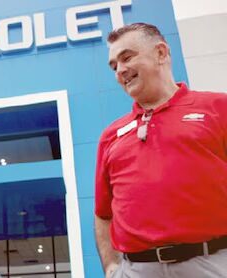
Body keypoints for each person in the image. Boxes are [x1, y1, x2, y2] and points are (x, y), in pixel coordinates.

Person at [94, 22, 227, 278]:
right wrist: (111, 268)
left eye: (127, 57)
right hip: (136, 270)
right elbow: (103, 213)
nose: (120, 70)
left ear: (161, 53)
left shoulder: (218, 108)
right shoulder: (111, 135)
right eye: (114, 66)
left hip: (212, 263)